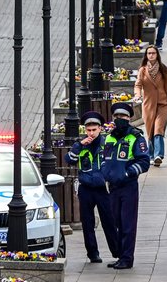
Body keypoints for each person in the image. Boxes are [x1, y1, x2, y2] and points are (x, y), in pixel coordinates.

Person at [65, 111, 119, 263]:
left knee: (109, 221)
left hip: (103, 189)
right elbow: (69, 160)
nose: (91, 133)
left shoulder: (107, 144)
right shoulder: (80, 145)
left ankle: (116, 252)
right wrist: (78, 146)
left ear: (100, 129)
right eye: (88, 130)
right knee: (87, 223)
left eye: (94, 130)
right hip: (86, 188)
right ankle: (93, 254)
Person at [102, 102, 150, 270]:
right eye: (116, 117)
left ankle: (127, 258)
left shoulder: (136, 137)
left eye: (122, 117)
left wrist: (127, 173)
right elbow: (104, 158)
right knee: (115, 222)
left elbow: (144, 161)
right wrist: (105, 172)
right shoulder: (109, 137)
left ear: (129, 118)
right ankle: (120, 255)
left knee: (127, 224)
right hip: (112, 187)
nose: (119, 119)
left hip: (128, 186)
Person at [133, 45, 167, 166]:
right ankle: (150, 155)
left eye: (153, 53)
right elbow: (138, 85)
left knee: (158, 129)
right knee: (150, 130)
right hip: (148, 105)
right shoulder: (143, 70)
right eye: (149, 53)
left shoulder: (163, 69)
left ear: (157, 55)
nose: (151, 55)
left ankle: (158, 155)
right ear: (146, 56)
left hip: (163, 104)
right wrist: (137, 95)